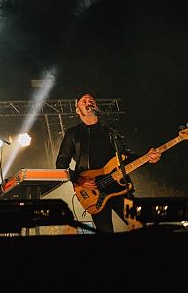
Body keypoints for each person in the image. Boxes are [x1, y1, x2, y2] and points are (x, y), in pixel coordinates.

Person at [55, 92, 161, 233]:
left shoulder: (111, 130)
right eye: (83, 101)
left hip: (119, 187)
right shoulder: (73, 133)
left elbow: (126, 157)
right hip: (94, 191)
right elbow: (61, 164)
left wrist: (147, 158)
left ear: (96, 106)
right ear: (78, 110)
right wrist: (79, 180)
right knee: (105, 233)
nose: (88, 102)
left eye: (91, 100)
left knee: (140, 226)